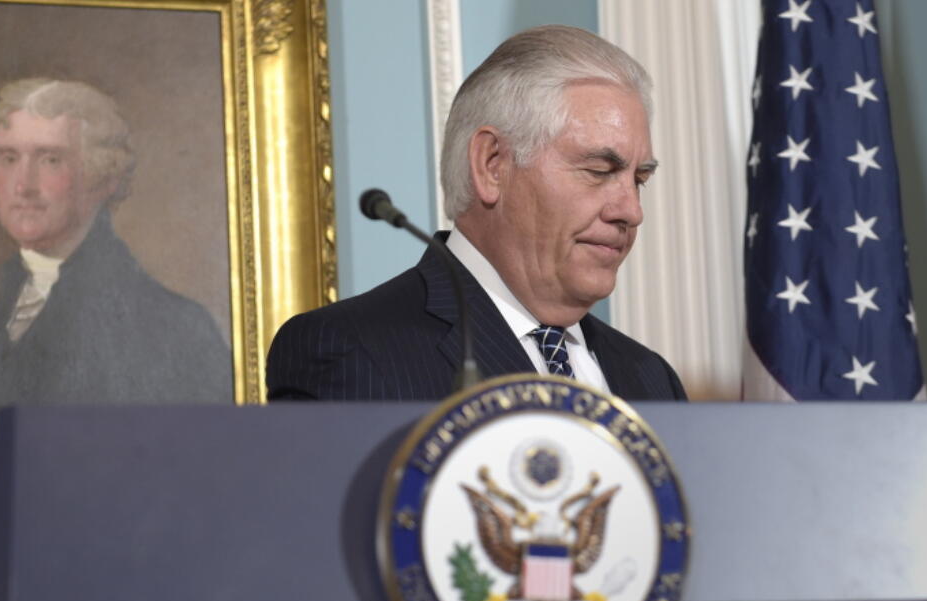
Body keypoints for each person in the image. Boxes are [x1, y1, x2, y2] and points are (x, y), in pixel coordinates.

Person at [266, 25, 685, 401]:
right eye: (598, 171)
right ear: (491, 164)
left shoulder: (651, 379)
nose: (631, 210)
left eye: (640, 180)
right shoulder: (350, 353)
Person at [0, 79, 232, 492]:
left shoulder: (176, 331)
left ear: (104, 176)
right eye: (8, 158)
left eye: (51, 159)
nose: (23, 185)